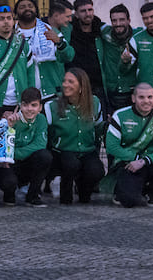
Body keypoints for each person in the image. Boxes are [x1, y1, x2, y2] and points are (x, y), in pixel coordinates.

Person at [104, 83, 153, 208]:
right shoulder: (120, 115)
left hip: (150, 163)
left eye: (149, 97)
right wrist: (136, 159)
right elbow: (112, 147)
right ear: (133, 98)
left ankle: (149, 190)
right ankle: (123, 189)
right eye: (141, 97)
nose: (146, 101)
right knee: (129, 201)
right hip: (128, 164)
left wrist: (144, 161)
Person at [44, 69, 104, 204]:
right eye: (64, 81)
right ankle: (63, 189)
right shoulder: (51, 105)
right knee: (71, 164)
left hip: (87, 150)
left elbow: (99, 127)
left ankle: (83, 190)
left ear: (82, 86)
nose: (65, 84)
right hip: (62, 151)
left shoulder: (95, 102)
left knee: (97, 171)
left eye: (71, 82)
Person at [0, 88, 52, 207]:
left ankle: (33, 196)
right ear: (20, 105)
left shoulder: (41, 119)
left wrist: (13, 154)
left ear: (40, 108)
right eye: (25, 105)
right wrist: (6, 125)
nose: (30, 109)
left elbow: (39, 145)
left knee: (44, 156)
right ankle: (9, 193)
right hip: (6, 165)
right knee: (9, 183)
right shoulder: (12, 118)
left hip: (20, 162)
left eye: (34, 105)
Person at [65, 0, 106, 106]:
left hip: (98, 86)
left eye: (90, 10)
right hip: (76, 86)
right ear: (76, 14)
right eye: (83, 11)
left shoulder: (101, 30)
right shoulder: (69, 31)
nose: (88, 14)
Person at [34, 0, 75, 103]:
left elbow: (69, 55)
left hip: (58, 85)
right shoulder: (40, 30)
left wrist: (60, 43)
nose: (70, 20)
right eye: (67, 16)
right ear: (56, 15)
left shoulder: (68, 28)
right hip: (41, 86)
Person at [99, 5, 137, 111]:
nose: (118, 24)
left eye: (122, 20)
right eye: (114, 20)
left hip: (131, 92)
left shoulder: (137, 35)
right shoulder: (105, 32)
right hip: (111, 92)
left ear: (129, 20)